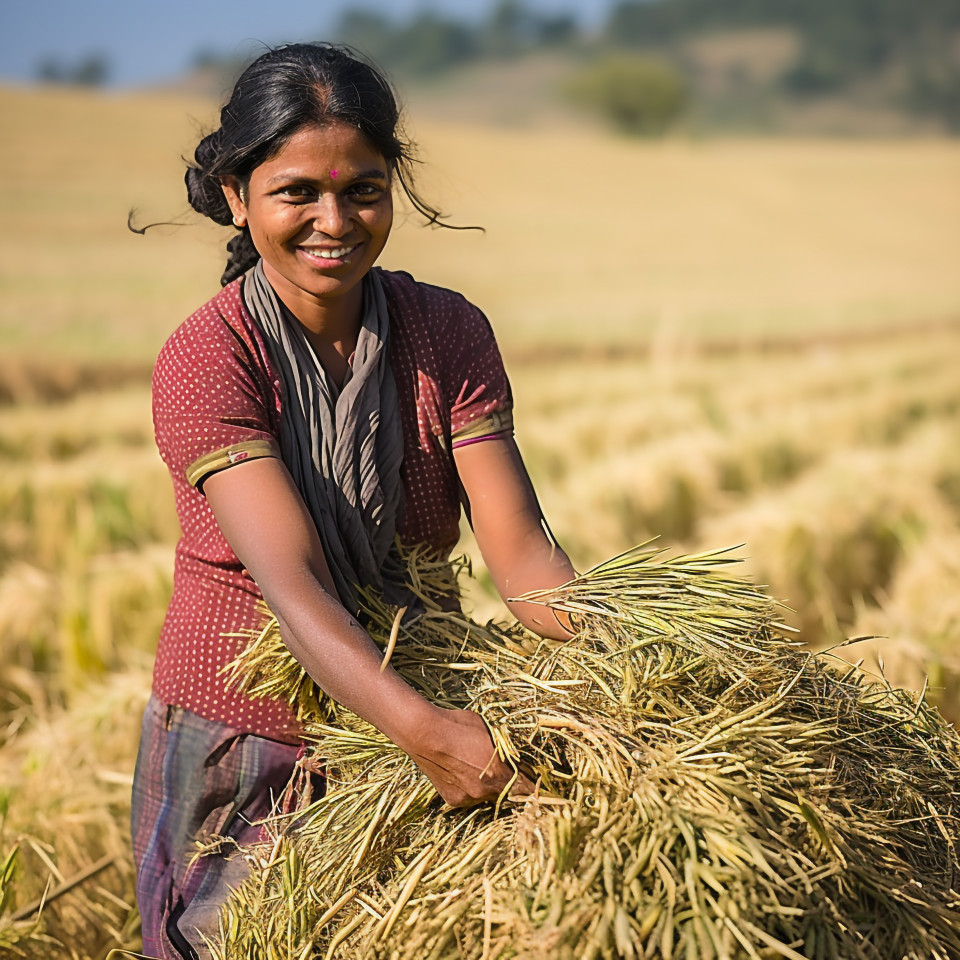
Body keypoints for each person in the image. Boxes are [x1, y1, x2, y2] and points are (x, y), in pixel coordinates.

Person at [130, 42, 575, 960]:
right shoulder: (208, 360)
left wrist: (637, 666)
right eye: (298, 191)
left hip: (427, 695)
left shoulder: (446, 331)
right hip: (251, 740)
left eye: (363, 190)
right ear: (234, 195)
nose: (334, 220)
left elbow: (526, 561)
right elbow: (294, 593)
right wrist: (427, 737)